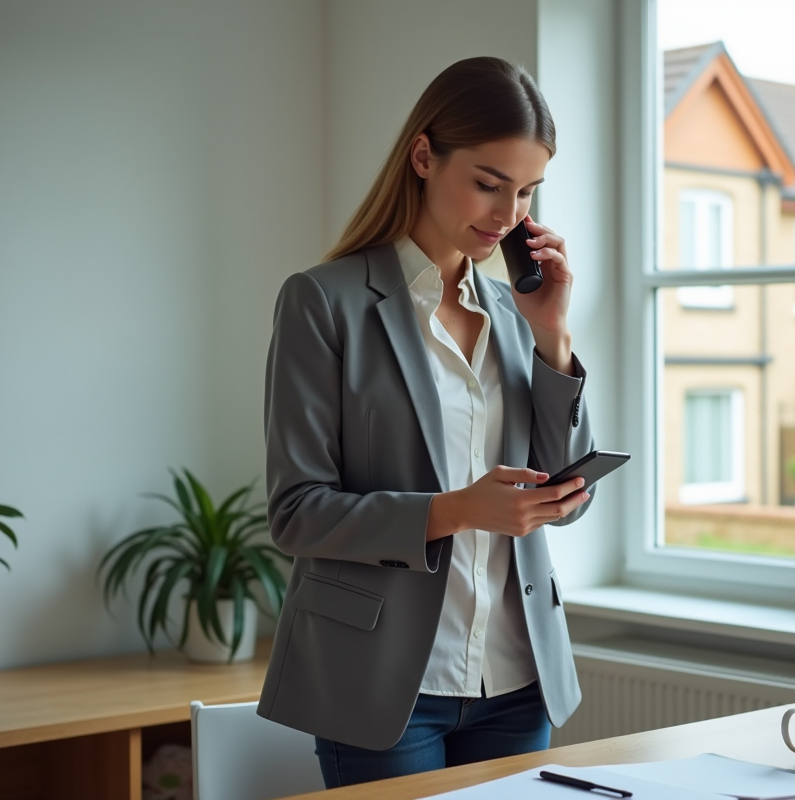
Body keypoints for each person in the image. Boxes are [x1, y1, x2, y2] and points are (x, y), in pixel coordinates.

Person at [255, 56, 596, 788]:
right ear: (423, 156)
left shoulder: (514, 312)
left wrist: (553, 337)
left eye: (527, 192)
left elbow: (566, 496)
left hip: (515, 679)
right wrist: (456, 511)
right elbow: (295, 514)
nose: (508, 216)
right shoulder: (324, 303)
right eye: (487, 183)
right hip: (387, 686)